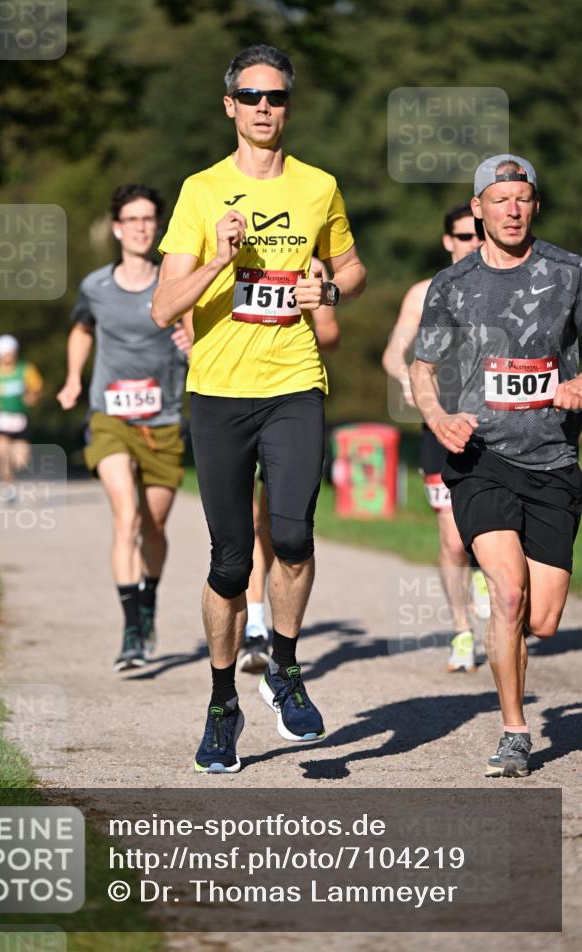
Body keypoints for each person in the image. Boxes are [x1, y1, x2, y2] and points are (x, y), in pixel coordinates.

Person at [153, 44, 367, 773]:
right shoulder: (201, 190)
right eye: (250, 96)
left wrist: (328, 291)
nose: (263, 107)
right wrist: (218, 258)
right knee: (229, 561)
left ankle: (284, 666)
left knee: (294, 535)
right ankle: (222, 705)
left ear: (288, 106)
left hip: (294, 383)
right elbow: (162, 306)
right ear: (230, 106)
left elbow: (352, 269)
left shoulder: (318, 186)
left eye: (274, 96)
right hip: (218, 393)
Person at [410, 154, 582, 778]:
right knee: (508, 594)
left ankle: (507, 632)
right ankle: (514, 732)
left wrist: (579, 384)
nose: (512, 210)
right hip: (480, 458)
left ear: (535, 205)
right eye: (500, 200)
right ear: (478, 208)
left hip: (553, 459)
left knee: (543, 619)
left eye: (522, 199)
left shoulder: (569, 273)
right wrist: (437, 418)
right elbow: (423, 367)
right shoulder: (452, 284)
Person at [57, 184, 191, 671]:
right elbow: (82, 329)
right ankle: (131, 632)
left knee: (154, 528)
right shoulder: (96, 287)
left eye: (148, 219)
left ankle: (148, 602)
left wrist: (192, 343)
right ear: (117, 228)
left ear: (159, 227)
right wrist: (74, 378)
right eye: (132, 219)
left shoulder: (178, 284)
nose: (140, 227)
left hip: (164, 421)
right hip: (110, 417)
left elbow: (202, 336)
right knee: (126, 517)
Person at [382, 204, 488, 673]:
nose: (474, 243)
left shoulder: (508, 287)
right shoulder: (424, 292)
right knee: (451, 536)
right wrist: (406, 379)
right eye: (464, 236)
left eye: (480, 234)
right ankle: (462, 632)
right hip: (441, 426)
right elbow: (393, 352)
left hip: (497, 426)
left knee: (495, 530)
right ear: (448, 241)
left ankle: (486, 571)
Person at [241, 255, 340, 673]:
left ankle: (263, 631)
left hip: (288, 398)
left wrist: (322, 296)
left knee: (278, 524)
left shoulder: (310, 264)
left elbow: (330, 336)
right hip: (230, 396)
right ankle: (253, 624)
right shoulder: (227, 250)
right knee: (244, 521)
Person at [0, 334, 43, 498]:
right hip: (0, 421)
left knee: (20, 461)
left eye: (11, 353)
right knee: (2, 455)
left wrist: (33, 396)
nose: (8, 357)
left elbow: (37, 389)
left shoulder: (25, 370)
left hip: (20, 420)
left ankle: (13, 473)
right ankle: (8, 486)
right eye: (5, 353)